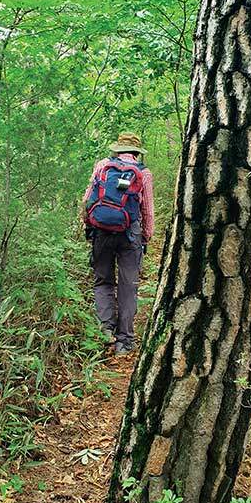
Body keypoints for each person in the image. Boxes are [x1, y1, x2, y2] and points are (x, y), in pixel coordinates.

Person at [83, 132, 155, 356]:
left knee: (102, 281)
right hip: (130, 234)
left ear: (117, 149)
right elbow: (147, 211)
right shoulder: (143, 173)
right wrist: (145, 237)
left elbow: (87, 200)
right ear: (136, 152)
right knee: (128, 286)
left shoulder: (103, 165)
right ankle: (124, 342)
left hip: (101, 230)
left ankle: (106, 331)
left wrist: (89, 225)